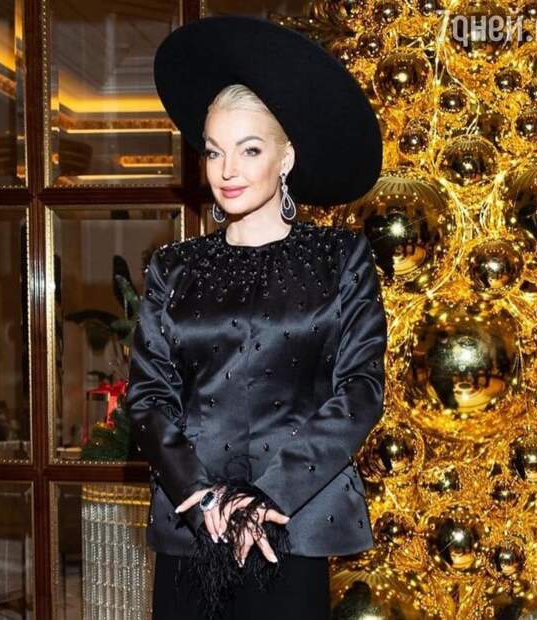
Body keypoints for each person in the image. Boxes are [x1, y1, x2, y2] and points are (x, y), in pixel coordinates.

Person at [125, 15, 387, 620]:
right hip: (193, 525)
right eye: (214, 150)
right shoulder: (174, 266)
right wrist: (201, 495)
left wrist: (267, 497)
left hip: (290, 524)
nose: (227, 171)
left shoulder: (340, 259)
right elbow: (147, 396)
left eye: (249, 150)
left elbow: (360, 390)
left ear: (285, 156)